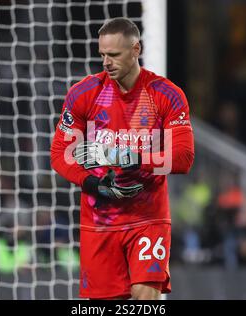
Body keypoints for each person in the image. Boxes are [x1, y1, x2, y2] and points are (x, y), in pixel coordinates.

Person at [50, 17, 194, 300]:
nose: (106, 62)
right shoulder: (84, 94)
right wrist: (91, 183)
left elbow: (183, 158)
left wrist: (135, 158)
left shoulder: (166, 95)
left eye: (113, 55)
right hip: (100, 220)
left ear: (136, 49)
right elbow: (59, 154)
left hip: (147, 217)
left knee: (144, 298)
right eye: (102, 54)